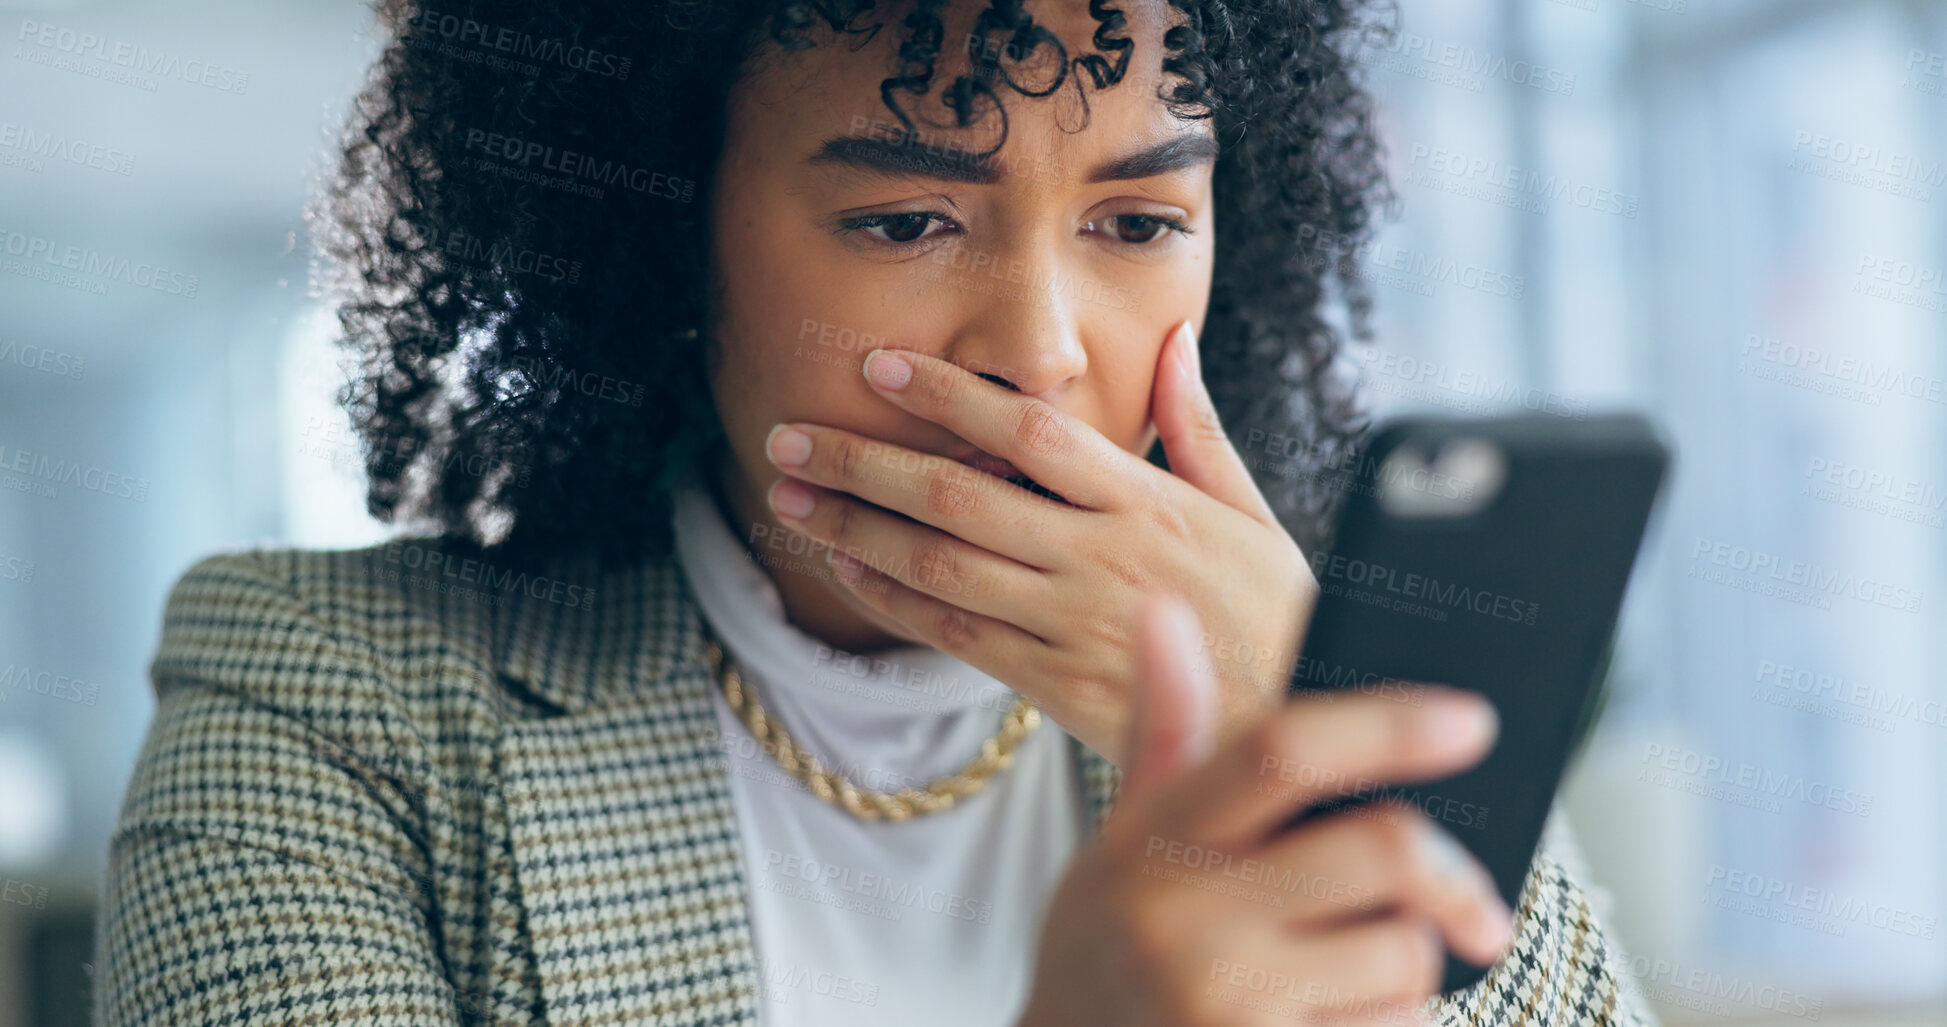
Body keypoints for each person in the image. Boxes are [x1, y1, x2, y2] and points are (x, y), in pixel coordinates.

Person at [95, 1, 1657, 1024]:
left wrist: (1324, 738)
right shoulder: (313, 691)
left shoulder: (1321, 666)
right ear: (657, 244)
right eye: (906, 218)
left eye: (1139, 219)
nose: (1043, 348)